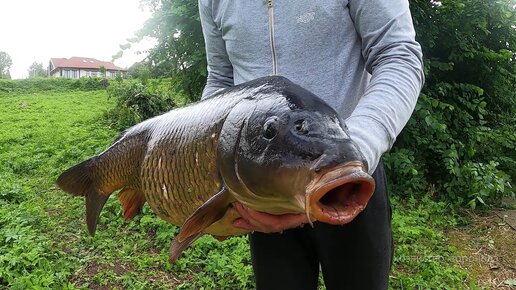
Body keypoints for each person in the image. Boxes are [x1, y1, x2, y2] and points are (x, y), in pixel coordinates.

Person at [198, 1, 424, 289]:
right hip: (262, 190)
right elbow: (220, 81)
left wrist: (353, 150)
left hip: (345, 180)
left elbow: (398, 55)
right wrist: (210, 170)